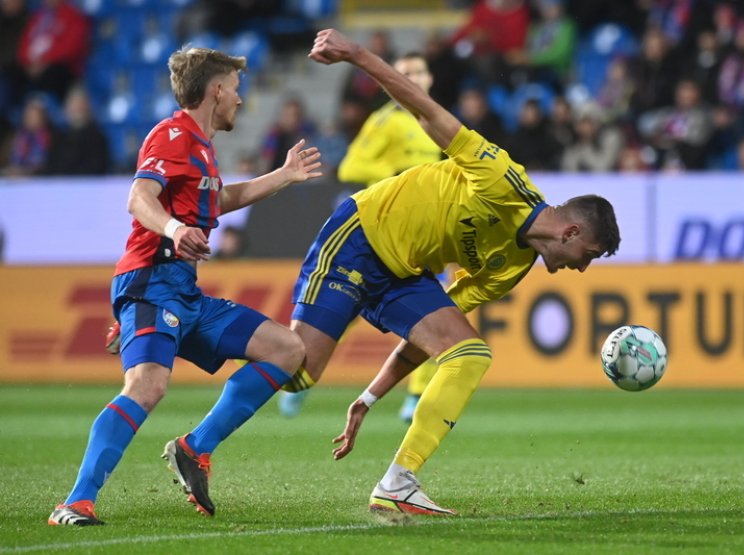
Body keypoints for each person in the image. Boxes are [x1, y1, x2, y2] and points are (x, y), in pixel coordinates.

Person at [286, 29, 620, 517]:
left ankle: (398, 481)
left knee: (468, 353)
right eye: (587, 254)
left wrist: (371, 395)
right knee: (296, 372)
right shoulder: (501, 178)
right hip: (364, 230)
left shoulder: (512, 266)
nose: (581, 268)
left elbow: (429, 334)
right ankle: (189, 326)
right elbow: (426, 112)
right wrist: (357, 55)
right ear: (570, 233)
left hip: (403, 271)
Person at [48, 46, 322, 526]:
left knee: (286, 348)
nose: (241, 97)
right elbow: (138, 197)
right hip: (151, 282)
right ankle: (75, 502)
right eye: (235, 89)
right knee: (148, 386)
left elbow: (219, 199)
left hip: (183, 292)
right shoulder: (173, 135)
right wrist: (174, 230)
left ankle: (194, 449)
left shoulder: (201, 147)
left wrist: (283, 176)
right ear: (215, 90)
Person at [278, 51, 444, 421]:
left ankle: (416, 397)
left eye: (418, 71)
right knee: (344, 312)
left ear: (430, 78)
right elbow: (352, 164)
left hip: (423, 233)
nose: (413, 78)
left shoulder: (435, 120)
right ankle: (300, 378)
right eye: (404, 73)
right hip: (380, 229)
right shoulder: (384, 121)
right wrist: (397, 169)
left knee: (437, 308)